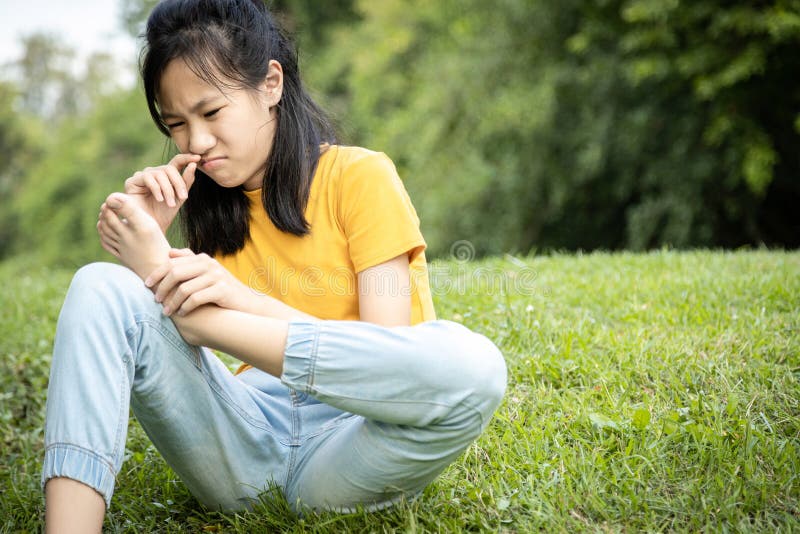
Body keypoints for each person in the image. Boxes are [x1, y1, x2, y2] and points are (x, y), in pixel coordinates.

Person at [41, 0, 506, 531]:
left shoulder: (361, 178)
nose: (196, 142)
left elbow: (384, 356)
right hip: (243, 448)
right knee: (99, 285)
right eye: (177, 124)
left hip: (354, 445)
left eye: (211, 112)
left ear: (270, 84)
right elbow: (163, 351)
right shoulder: (212, 212)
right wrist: (155, 243)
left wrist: (231, 306)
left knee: (476, 366)